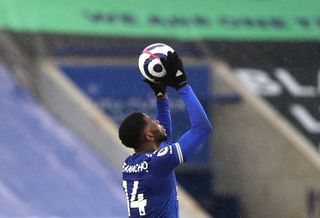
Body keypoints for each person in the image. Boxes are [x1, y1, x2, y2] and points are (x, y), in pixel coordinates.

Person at [119, 51, 212, 217]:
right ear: (148, 136)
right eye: (153, 121)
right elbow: (201, 128)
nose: (158, 121)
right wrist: (183, 85)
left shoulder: (131, 164)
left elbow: (163, 140)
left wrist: (161, 96)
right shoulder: (157, 163)